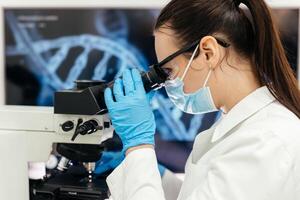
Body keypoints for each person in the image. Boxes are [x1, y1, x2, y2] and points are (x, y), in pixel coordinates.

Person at [102, 0, 300, 199]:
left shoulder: (264, 142)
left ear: (208, 52)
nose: (167, 84)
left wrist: (139, 148)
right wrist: (152, 173)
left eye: (168, 71)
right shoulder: (247, 127)